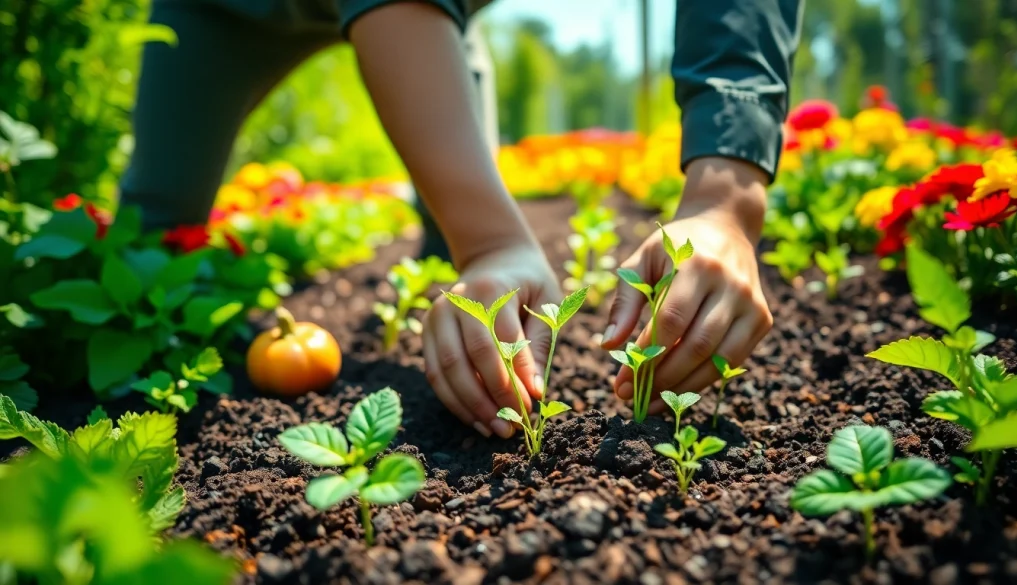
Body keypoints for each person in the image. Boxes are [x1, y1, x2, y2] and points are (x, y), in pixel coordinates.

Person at [120, 0, 802, 438]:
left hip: (434, 19)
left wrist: (725, 199)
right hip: (227, 10)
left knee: (470, 262)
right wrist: (494, 239)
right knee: (148, 239)